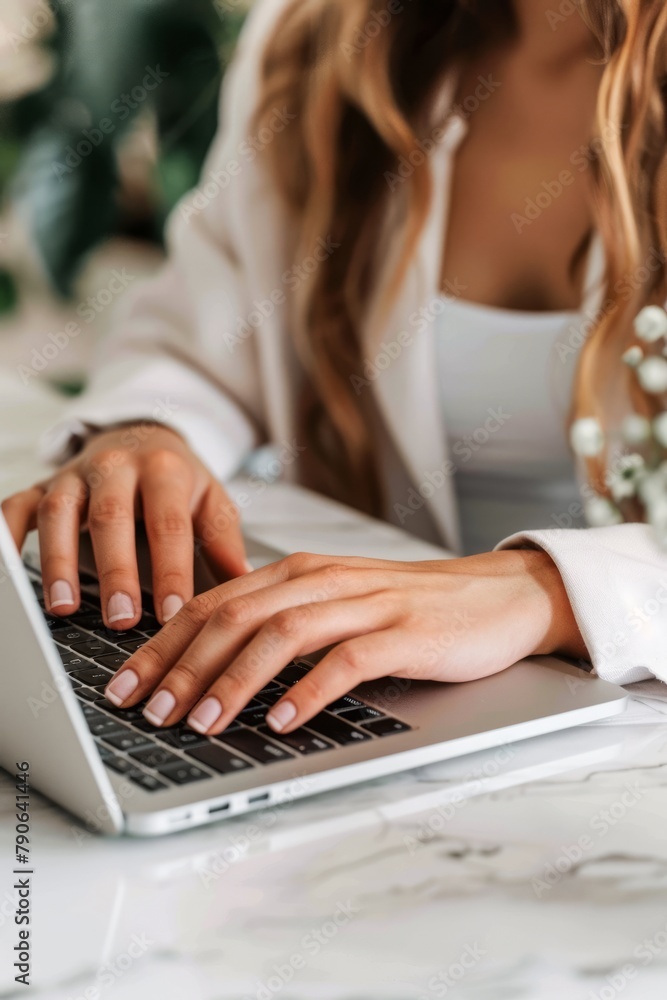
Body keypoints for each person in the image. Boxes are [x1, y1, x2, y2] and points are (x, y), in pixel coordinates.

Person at [3, 0, 666, 739]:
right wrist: (148, 431)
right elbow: (207, 335)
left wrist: (553, 593)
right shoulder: (314, 38)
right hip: (377, 705)